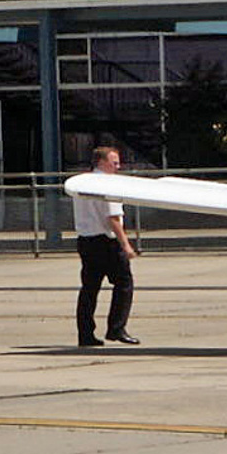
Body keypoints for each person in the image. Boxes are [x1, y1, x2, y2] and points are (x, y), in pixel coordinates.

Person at [73, 146, 139, 346]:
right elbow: (113, 218)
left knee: (89, 288)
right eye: (114, 162)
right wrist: (126, 245)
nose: (118, 167)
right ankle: (116, 328)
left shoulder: (83, 182)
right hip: (106, 242)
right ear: (101, 162)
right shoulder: (107, 185)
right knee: (124, 283)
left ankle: (85, 334)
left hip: (86, 239)